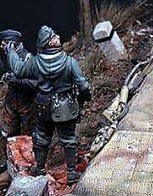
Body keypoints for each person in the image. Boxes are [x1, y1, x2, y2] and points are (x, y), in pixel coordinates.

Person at [4, 25, 91, 185]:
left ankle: (40, 168)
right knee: (68, 140)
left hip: (43, 106)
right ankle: (71, 172)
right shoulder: (70, 62)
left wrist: (10, 52)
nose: (57, 36)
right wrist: (85, 98)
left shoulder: (35, 62)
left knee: (42, 138)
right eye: (53, 36)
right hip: (65, 107)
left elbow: (18, 70)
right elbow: (84, 86)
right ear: (49, 43)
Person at [0, 29, 36, 138]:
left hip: (26, 103)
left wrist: (17, 80)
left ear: (12, 44)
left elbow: (36, 84)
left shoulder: (28, 59)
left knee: (28, 135)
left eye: (4, 44)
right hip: (11, 102)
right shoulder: (6, 56)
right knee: (7, 133)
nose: (1, 47)